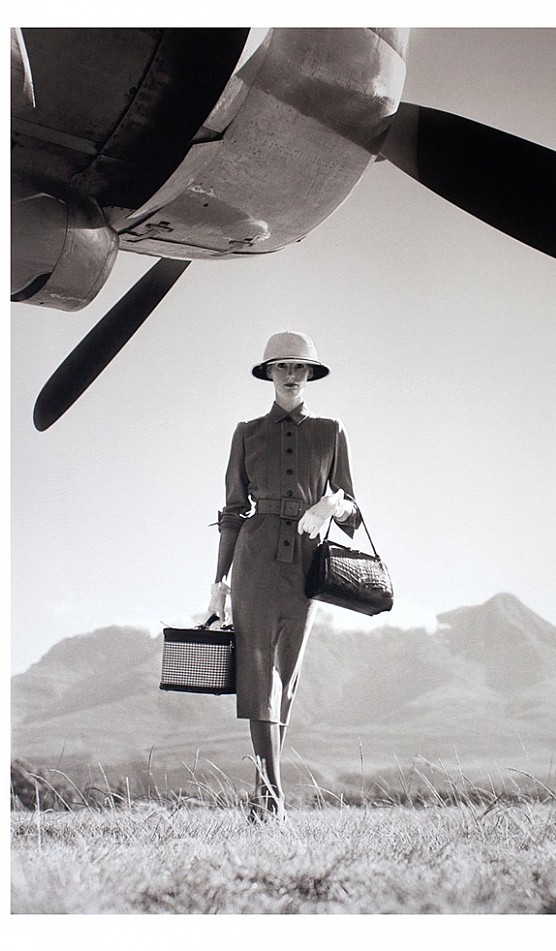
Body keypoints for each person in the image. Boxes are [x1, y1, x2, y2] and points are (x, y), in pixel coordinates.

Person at [208, 331, 361, 822]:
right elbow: (233, 511)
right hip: (253, 559)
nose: (291, 375)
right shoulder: (246, 432)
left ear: (311, 374)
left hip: (307, 562)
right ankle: (271, 798)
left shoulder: (331, 431)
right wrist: (219, 584)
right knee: (255, 670)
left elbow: (355, 514)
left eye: (300, 367)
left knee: (285, 675)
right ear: (268, 373)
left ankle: (262, 792)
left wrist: (331, 504)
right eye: (281, 367)